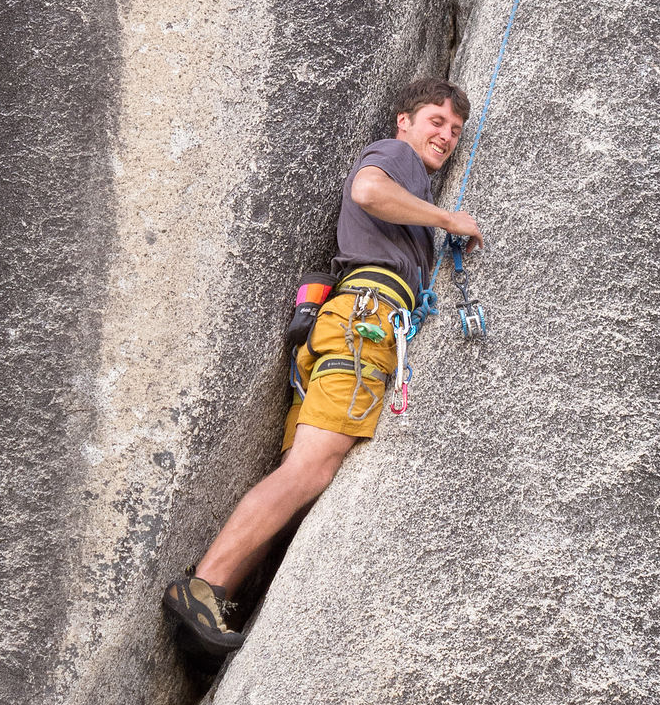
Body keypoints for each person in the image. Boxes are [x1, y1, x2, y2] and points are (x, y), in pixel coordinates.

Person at [162, 77, 484, 661]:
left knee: (298, 473)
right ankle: (204, 585)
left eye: (456, 130)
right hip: (366, 320)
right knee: (312, 467)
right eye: (436, 120)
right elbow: (366, 191)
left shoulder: (411, 171)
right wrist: (448, 219)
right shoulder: (398, 160)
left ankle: (222, 600)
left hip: (339, 324)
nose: (446, 135)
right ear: (403, 122)